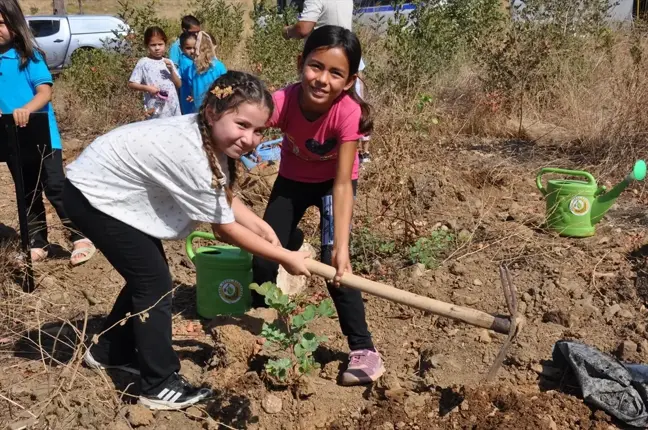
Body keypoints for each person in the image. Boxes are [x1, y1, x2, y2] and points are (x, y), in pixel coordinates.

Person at [63, 71, 312, 411]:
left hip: (110, 189)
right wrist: (284, 256)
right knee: (153, 282)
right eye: (242, 125)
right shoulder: (191, 152)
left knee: (148, 276)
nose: (251, 138)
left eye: (259, 131)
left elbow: (220, 193)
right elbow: (223, 228)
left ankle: (111, 350)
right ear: (212, 112)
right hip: (93, 195)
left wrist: (260, 225)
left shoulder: (208, 137)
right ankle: (158, 384)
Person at [252, 25, 383, 386]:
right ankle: (263, 317)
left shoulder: (346, 114)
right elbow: (250, 121)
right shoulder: (283, 100)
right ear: (300, 63)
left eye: (335, 73)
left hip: (332, 186)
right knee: (264, 253)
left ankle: (364, 349)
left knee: (335, 267)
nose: (322, 79)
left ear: (350, 80)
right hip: (292, 182)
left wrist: (341, 247)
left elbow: (343, 184)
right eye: (315, 66)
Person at [0, 0, 96, 266]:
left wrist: (26, 109)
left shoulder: (28, 56)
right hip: (12, 140)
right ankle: (37, 242)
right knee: (26, 191)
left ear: (15, 25)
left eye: (0, 23)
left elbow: (45, 92)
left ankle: (81, 236)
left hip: (43, 137)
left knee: (54, 186)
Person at [282, 0, 372, 164]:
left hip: (323, 57)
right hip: (347, 58)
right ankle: (361, 152)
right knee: (354, 108)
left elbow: (304, 28)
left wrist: (287, 31)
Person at [128, 26, 181, 119]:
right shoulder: (143, 62)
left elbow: (179, 84)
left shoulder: (168, 62)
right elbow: (132, 84)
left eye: (160, 44)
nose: (157, 48)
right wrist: (147, 88)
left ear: (165, 44)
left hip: (172, 106)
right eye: (153, 45)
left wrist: (172, 71)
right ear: (147, 45)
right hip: (155, 107)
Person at [189, 31, 227, 111]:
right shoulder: (219, 66)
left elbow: (191, 86)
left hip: (198, 108)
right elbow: (226, 85)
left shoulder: (193, 67)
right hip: (215, 107)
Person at [178, 32, 197, 114]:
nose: (192, 51)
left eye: (195, 47)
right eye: (188, 48)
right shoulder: (187, 63)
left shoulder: (191, 61)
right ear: (181, 48)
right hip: (190, 97)